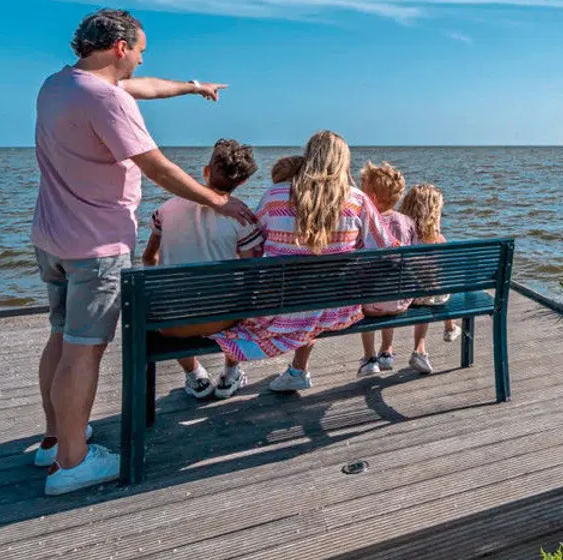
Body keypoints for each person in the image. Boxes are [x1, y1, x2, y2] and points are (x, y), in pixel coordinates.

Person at [31, 8, 255, 496]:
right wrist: (218, 200)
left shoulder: (58, 86)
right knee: (83, 350)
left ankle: (55, 439)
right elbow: (156, 167)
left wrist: (194, 86)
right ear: (119, 47)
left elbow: (146, 86)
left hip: (51, 238)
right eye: (140, 50)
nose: (140, 60)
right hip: (95, 245)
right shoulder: (107, 101)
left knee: (59, 337)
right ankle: (71, 464)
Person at [209, 130, 395, 391]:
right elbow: (387, 249)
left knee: (281, 295)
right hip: (339, 310)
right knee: (316, 295)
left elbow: (255, 243)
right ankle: (298, 370)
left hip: (280, 308)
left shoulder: (275, 195)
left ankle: (231, 373)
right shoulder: (357, 200)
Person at [141, 139, 265, 400]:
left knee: (168, 302)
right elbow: (252, 273)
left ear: (206, 171)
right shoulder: (242, 218)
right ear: (242, 183)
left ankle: (194, 374)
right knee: (245, 303)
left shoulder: (165, 210)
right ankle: (230, 371)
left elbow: (148, 258)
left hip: (172, 325)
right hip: (223, 320)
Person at [356, 162, 435, 376]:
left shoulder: (363, 222)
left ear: (370, 197)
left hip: (371, 305)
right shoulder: (407, 221)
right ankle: (387, 351)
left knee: (370, 289)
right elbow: (417, 257)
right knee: (391, 280)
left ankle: (370, 357)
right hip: (400, 302)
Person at [400, 183, 460, 354]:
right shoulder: (438, 238)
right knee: (437, 288)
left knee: (425, 289)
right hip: (432, 297)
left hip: (406, 298)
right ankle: (450, 327)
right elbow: (445, 272)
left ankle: (420, 349)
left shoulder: (403, 237)